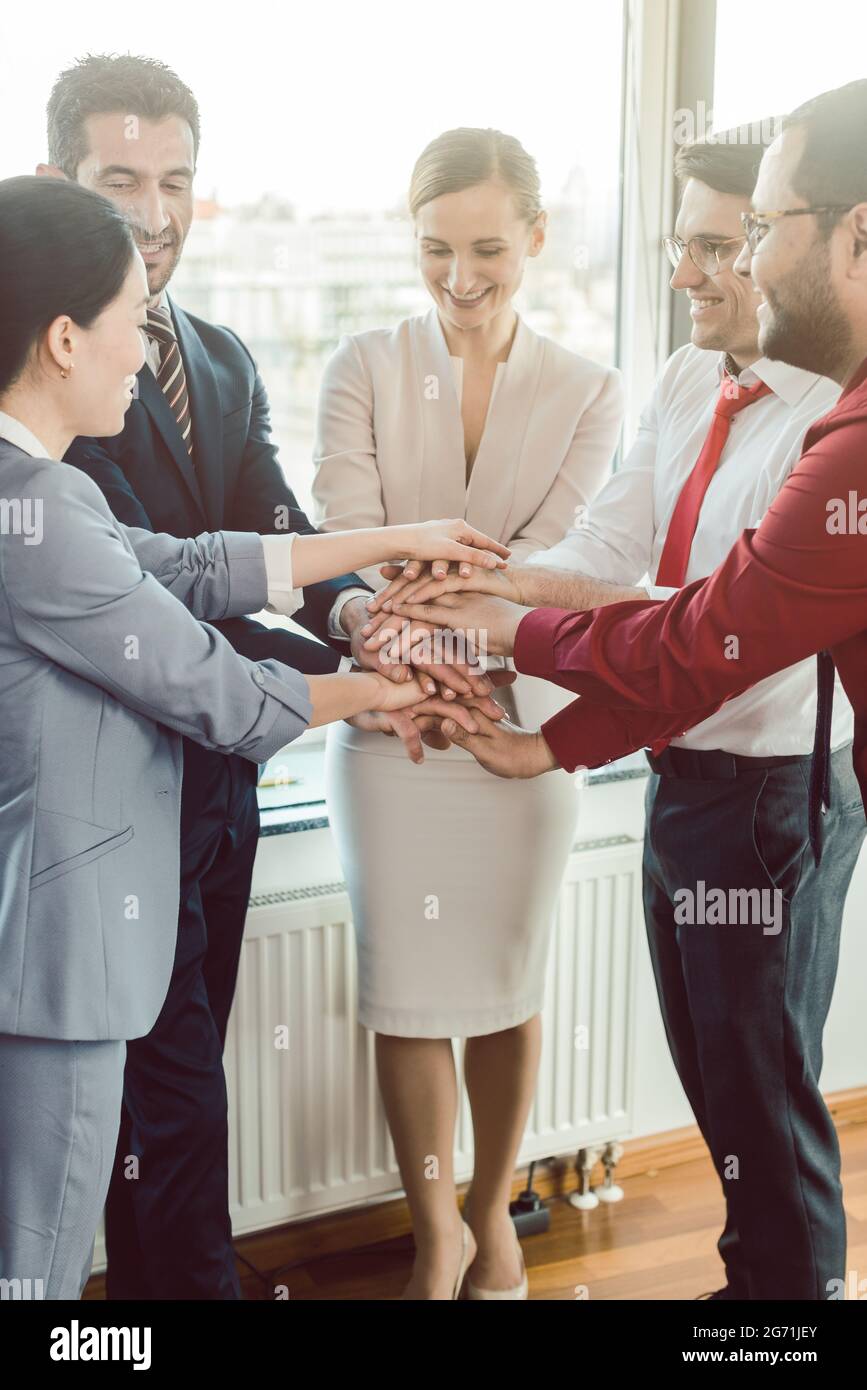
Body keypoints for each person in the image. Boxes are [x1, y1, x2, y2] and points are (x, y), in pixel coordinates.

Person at [378, 109, 867, 1300]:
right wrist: (491, 584)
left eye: (739, 236)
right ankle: (762, 1290)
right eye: (697, 241)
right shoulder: (691, 376)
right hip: (678, 771)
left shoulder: (832, 422)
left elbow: (709, 628)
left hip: (772, 803)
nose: (707, 267)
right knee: (724, 1083)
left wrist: (518, 639)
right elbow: (621, 560)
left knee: (764, 1090)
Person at [35, 54, 501, 1300]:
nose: (157, 212)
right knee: (155, 1116)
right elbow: (182, 642)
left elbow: (238, 544)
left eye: (178, 180)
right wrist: (382, 681)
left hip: (213, 809)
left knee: (170, 1107)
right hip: (115, 816)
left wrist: (365, 613)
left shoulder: (219, 357)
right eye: (121, 181)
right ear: (56, 187)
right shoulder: (54, 433)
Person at [313, 126, 623, 1299]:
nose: (461, 276)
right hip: (394, 725)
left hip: (521, 732)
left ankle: (493, 1215)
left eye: (489, 246)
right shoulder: (361, 365)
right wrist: (387, 624)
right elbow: (354, 548)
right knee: (407, 988)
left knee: (505, 981)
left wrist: (427, 600)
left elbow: (552, 565)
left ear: (537, 238)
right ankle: (436, 1229)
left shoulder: (590, 392)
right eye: (435, 248)